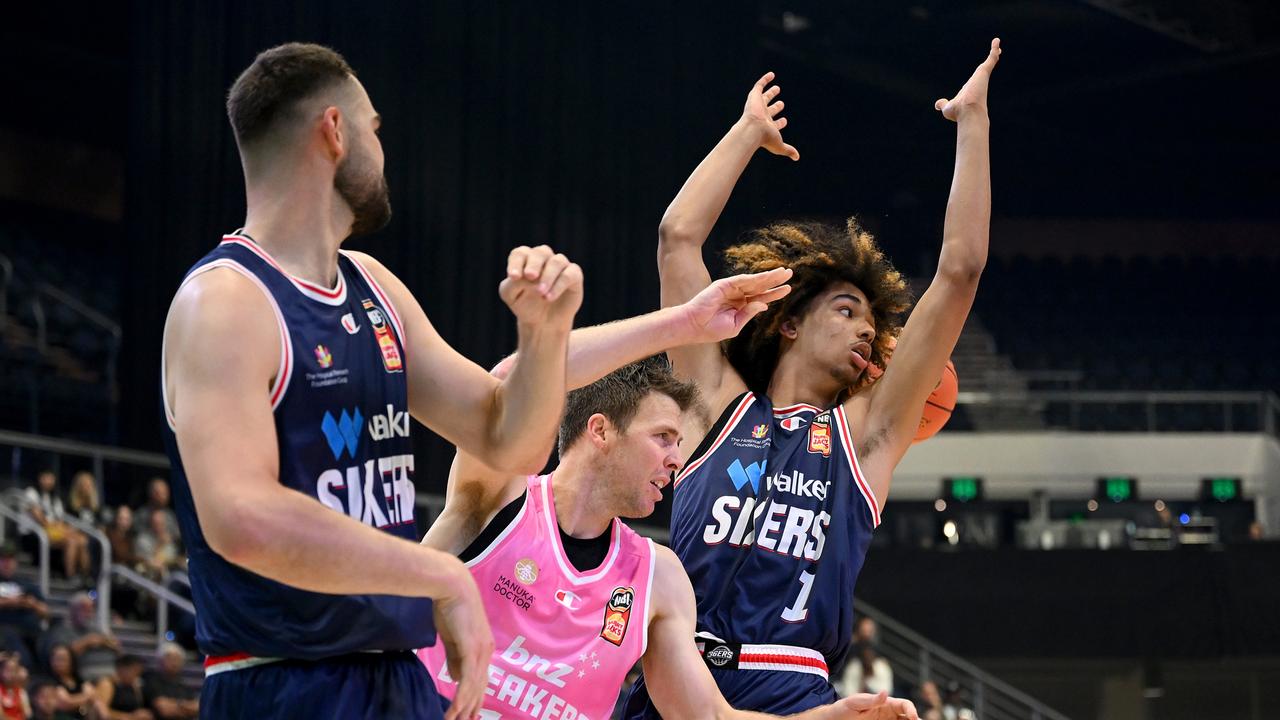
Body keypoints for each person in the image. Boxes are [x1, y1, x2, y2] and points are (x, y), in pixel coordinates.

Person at [160, 42, 583, 720]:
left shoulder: (374, 288)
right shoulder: (227, 301)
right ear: (334, 131)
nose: (384, 152)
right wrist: (439, 574)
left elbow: (510, 441)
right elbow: (241, 519)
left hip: (394, 679)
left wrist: (546, 335)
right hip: (283, 682)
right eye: (376, 130)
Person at [626, 41, 1002, 715]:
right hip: (676, 672)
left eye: (871, 321)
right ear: (791, 322)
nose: (865, 329)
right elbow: (677, 239)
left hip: (793, 689)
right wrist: (745, 134)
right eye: (847, 309)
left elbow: (960, 270)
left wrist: (973, 124)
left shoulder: (865, 437)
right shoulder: (714, 404)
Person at [421, 358, 918, 720]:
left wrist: (830, 719)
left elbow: (712, 719)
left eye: (680, 443)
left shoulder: (656, 575)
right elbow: (510, 377)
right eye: (663, 438)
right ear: (600, 430)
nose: (677, 459)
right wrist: (680, 323)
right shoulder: (497, 495)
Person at [23, 471, 91, 582]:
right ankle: (70, 575)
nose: (49, 481)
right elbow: (40, 518)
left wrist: (62, 529)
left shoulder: (55, 499)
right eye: (46, 477)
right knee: (72, 541)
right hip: (34, 534)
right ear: (40, 478)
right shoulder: (32, 492)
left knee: (81, 540)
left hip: (53, 532)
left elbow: (60, 520)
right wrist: (56, 528)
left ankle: (85, 576)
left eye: (51, 478)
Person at [42, 593, 120, 684]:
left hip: (111, 670)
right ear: (73, 610)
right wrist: (86, 642)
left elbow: (118, 651)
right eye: (84, 609)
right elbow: (63, 656)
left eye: (91, 610)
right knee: (106, 683)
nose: (89, 614)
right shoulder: (61, 631)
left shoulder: (95, 630)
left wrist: (111, 643)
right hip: (87, 673)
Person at [0, 542, 48, 668]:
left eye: (11, 559)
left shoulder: (27, 583)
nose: (7, 563)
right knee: (15, 644)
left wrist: (32, 604)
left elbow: (46, 612)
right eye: (4, 559)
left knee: (52, 645)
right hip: (5, 629)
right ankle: (25, 668)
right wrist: (9, 602)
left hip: (32, 630)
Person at [142, 644, 196, 720]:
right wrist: (184, 706)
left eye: (177, 659)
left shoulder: (182, 685)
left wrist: (174, 705)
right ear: (160, 661)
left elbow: (196, 708)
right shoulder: (151, 679)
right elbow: (164, 710)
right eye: (170, 659)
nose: (174, 663)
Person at [45, 644, 97, 717]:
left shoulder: (78, 678)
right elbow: (65, 703)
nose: (60, 663)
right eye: (57, 659)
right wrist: (86, 697)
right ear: (50, 661)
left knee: (98, 705)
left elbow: (93, 694)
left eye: (63, 659)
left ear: (71, 661)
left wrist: (77, 700)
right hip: (63, 717)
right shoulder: (48, 681)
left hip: (84, 715)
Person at [95, 655, 151, 720]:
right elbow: (102, 713)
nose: (137, 676)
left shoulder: (135, 686)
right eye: (135, 671)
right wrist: (130, 717)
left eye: (139, 673)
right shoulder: (107, 684)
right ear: (122, 669)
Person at [132, 481, 178, 546]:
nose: (165, 497)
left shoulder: (170, 515)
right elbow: (136, 534)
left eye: (166, 493)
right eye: (161, 493)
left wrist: (170, 537)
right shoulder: (141, 514)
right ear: (152, 494)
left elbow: (177, 535)